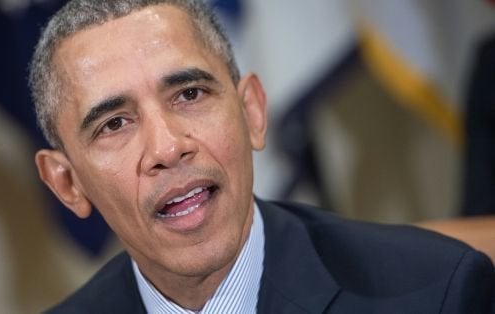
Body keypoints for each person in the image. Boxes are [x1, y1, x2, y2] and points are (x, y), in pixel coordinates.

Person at [28, 1, 495, 313]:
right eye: (114, 124)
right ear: (66, 183)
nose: (168, 148)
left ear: (252, 111)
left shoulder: (437, 292)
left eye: (190, 93)